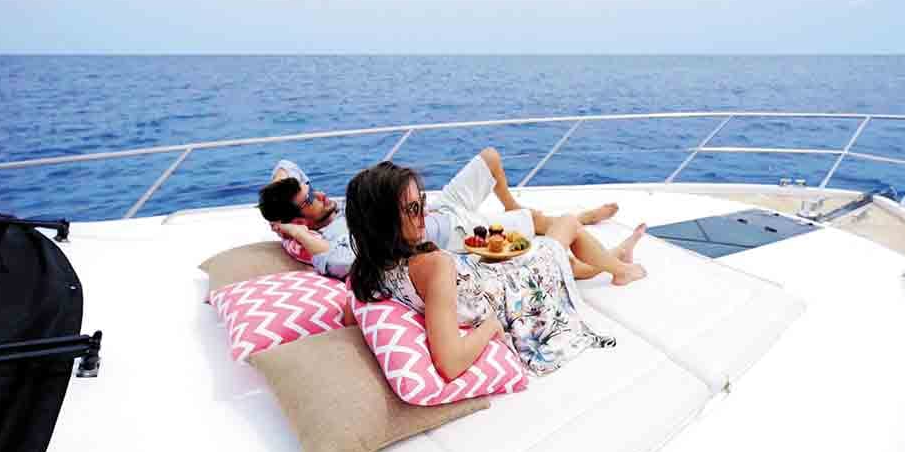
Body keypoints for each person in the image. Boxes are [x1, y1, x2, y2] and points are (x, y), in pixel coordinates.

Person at [345, 160, 647, 379]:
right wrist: (491, 328)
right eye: (412, 208)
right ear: (383, 223)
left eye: (421, 202)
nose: (425, 212)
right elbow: (450, 363)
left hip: (487, 280)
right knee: (566, 225)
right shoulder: (433, 266)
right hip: (510, 292)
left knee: (556, 259)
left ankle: (612, 257)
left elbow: (351, 314)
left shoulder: (369, 267)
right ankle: (620, 269)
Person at [256, 147, 643, 280]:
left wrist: (288, 193)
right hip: (451, 232)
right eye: (309, 201)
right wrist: (300, 234)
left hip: (437, 209)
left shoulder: (327, 207)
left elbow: (286, 163)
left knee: (490, 159)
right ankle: (613, 262)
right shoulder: (338, 238)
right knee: (551, 232)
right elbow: (339, 260)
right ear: (299, 222)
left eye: (312, 190)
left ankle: (530, 213)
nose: (320, 195)